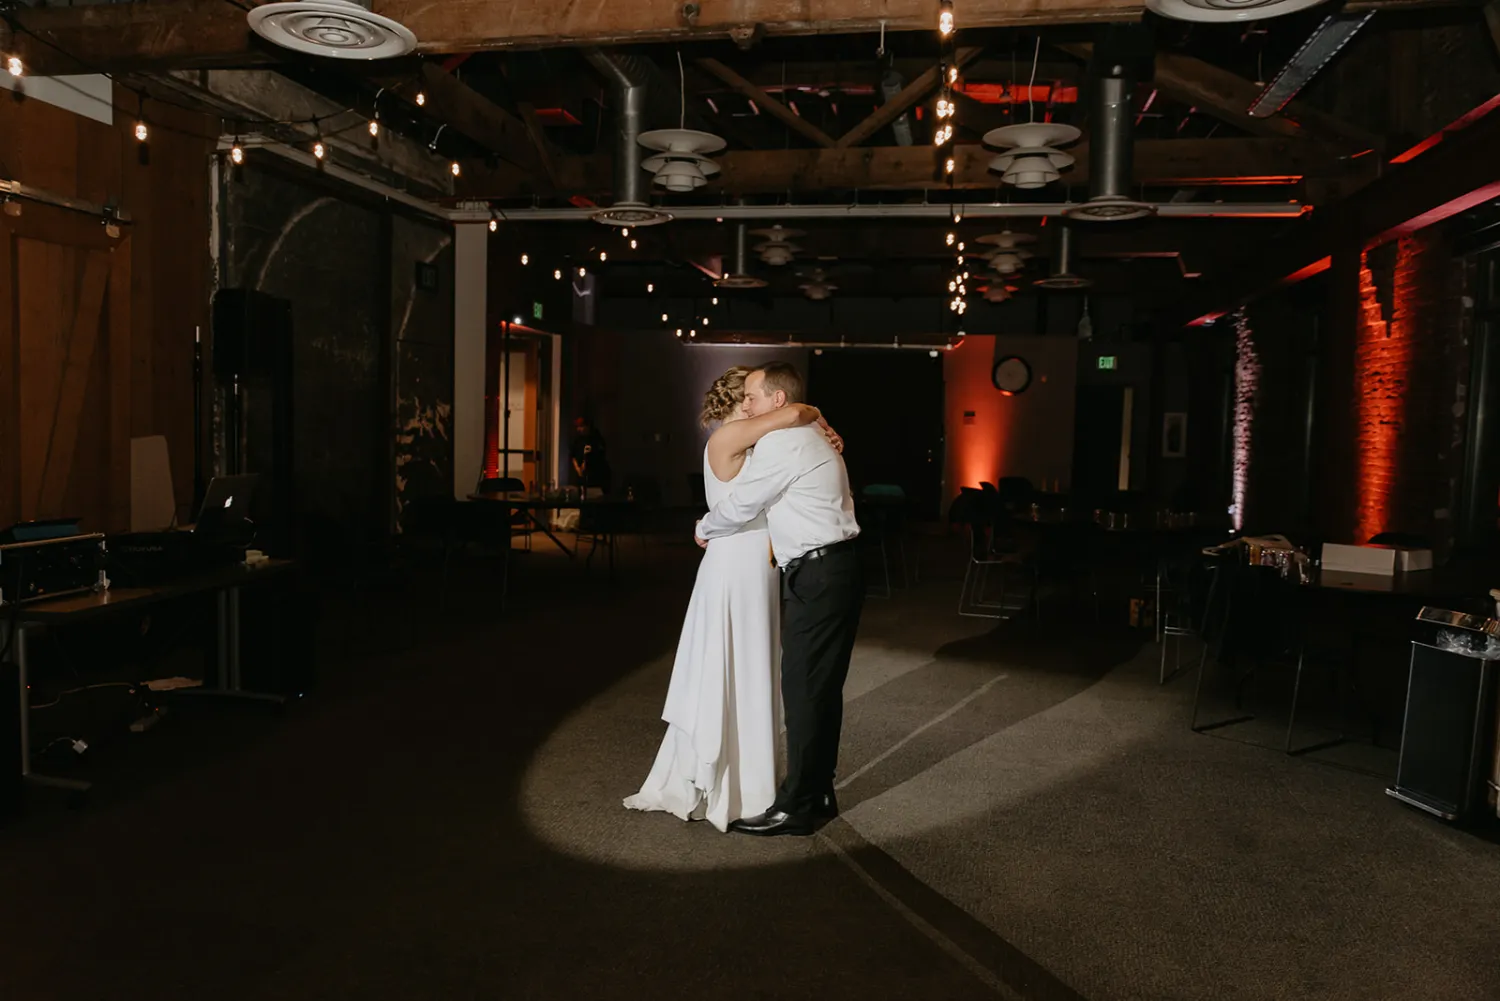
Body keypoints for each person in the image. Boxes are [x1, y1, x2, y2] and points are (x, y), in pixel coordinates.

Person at [624, 366, 842, 832]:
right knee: (733, 663)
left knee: (753, 666)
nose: (751, 403)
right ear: (743, 402)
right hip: (735, 561)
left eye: (754, 395)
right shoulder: (736, 435)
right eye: (747, 395)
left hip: (757, 564)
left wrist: (815, 422)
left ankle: (751, 784)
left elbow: (796, 416)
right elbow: (798, 411)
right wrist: (816, 417)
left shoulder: (759, 438)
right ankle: (730, 783)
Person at [695, 361, 862, 837]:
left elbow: (744, 503)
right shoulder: (804, 434)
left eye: (751, 397)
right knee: (822, 690)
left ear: (777, 402)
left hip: (820, 573)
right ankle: (820, 791)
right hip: (836, 569)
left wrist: (703, 528)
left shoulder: (784, 441)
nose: (745, 407)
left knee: (805, 691)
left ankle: (796, 806)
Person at [569, 417, 611, 495]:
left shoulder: (596, 439)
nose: (578, 429)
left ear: (587, 427)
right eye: (577, 427)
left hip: (595, 477)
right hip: (581, 477)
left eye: (581, 427)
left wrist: (586, 463)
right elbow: (573, 455)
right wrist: (578, 469)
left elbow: (599, 456)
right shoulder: (577, 440)